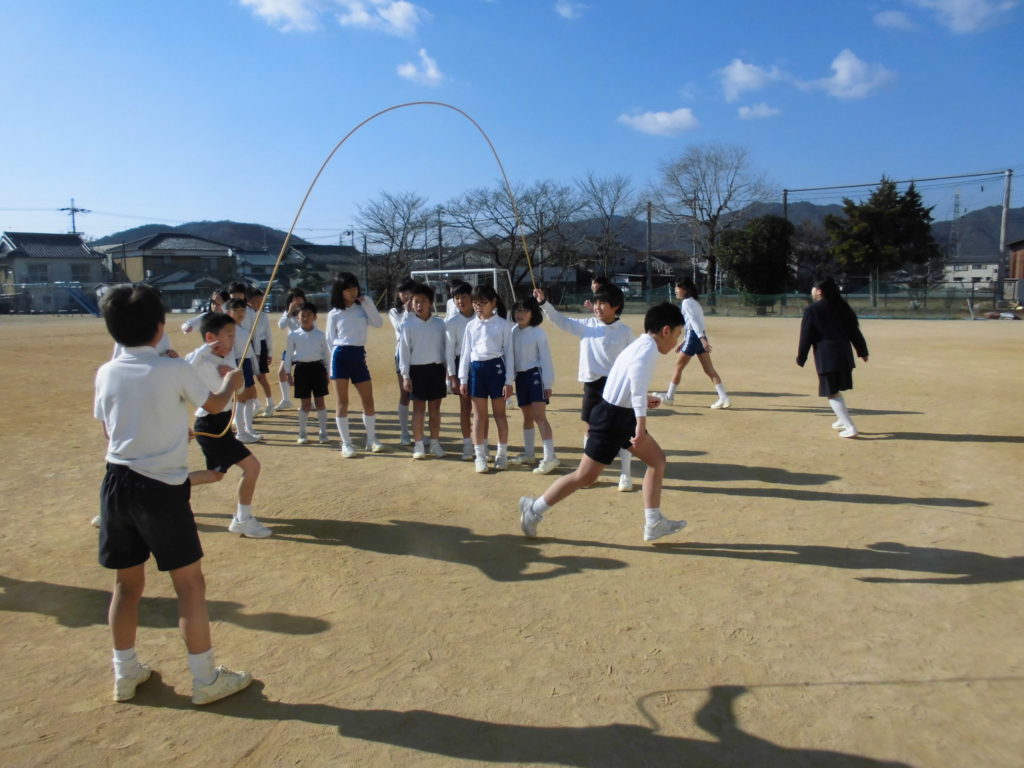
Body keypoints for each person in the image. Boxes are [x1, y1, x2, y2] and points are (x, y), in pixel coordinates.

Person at [94, 283, 253, 705]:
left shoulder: (106, 371)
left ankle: (124, 674)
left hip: (115, 483)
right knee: (190, 586)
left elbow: (110, 428)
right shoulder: (173, 367)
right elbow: (216, 406)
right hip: (160, 489)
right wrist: (233, 382)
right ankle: (205, 679)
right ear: (160, 326)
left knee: (126, 587)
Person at [519, 302, 688, 544]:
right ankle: (533, 509)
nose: (676, 341)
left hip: (620, 414)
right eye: (677, 334)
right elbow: (637, 387)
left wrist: (639, 402)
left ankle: (654, 522)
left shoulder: (640, 343)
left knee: (657, 461)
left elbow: (625, 381)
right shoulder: (647, 350)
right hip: (612, 419)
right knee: (585, 476)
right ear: (665, 330)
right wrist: (640, 423)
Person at [533, 283, 636, 491]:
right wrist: (544, 304)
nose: (597, 307)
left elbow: (633, 363)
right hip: (592, 385)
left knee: (623, 430)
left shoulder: (625, 332)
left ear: (616, 306)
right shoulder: (587, 325)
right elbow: (560, 321)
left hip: (617, 386)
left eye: (603, 303)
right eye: (596, 303)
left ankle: (626, 473)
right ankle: (589, 474)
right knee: (591, 428)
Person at [185, 313, 271, 539]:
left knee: (215, 474)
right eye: (229, 335)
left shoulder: (230, 356)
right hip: (210, 424)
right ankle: (243, 520)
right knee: (252, 467)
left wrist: (233, 380)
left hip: (223, 424)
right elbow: (185, 364)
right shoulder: (200, 359)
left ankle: (169, 488)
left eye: (234, 335)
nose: (233, 340)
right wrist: (207, 349)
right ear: (211, 337)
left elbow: (240, 392)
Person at [796, 276, 869, 438]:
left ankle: (850, 426)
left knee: (832, 392)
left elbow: (806, 336)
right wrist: (862, 351)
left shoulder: (812, 310)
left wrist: (801, 357)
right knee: (835, 389)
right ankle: (841, 420)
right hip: (844, 354)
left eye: (813, 287)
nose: (812, 290)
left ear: (819, 291)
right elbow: (854, 331)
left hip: (827, 357)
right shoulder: (842, 306)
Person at [326, 272, 384, 456]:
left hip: (358, 355)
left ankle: (371, 439)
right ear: (339, 291)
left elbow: (378, 322)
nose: (353, 291)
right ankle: (346, 443)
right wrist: (330, 366)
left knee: (368, 400)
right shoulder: (333, 313)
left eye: (355, 287)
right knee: (342, 402)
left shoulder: (362, 309)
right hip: (340, 356)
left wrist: (368, 304)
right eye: (348, 288)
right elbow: (330, 340)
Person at [458, 284, 515, 473]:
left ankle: (502, 454)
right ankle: (480, 456)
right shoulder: (470, 326)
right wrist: (463, 379)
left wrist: (508, 381)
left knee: (500, 414)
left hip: (496, 369)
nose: (478, 307)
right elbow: (466, 353)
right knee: (479, 416)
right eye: (475, 303)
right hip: (477, 371)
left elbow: (509, 354)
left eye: (482, 303)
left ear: (493, 303)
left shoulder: (504, 325)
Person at [653, 276, 731, 409]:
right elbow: (695, 323)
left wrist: (699, 339)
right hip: (696, 337)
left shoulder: (686, 303)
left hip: (695, 337)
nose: (676, 290)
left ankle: (669, 397)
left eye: (678, 288)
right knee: (709, 369)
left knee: (678, 367)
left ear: (685, 290)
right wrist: (689, 340)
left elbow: (694, 322)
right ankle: (724, 398)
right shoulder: (694, 302)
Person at [509, 296, 560, 474]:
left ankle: (549, 456)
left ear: (533, 313)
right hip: (521, 378)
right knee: (527, 417)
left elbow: (546, 358)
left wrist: (547, 383)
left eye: (524, 310)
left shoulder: (538, 333)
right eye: (517, 310)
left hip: (535, 376)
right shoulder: (513, 331)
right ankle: (529, 453)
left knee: (540, 416)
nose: (520, 314)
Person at [398, 283, 448, 459]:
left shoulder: (440, 324)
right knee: (418, 409)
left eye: (424, 301)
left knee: (435, 409)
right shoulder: (407, 325)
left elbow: (445, 348)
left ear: (431, 303)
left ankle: (435, 443)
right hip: (416, 371)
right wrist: (405, 375)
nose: (419, 305)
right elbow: (404, 351)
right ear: (411, 304)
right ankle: (418, 444)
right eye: (416, 301)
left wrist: (449, 371)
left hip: (436, 370)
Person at [282, 301, 332, 444]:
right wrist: (287, 372)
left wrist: (328, 372)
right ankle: (302, 433)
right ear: (297, 318)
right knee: (305, 404)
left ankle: (323, 432)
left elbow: (326, 355)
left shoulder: (320, 335)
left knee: (320, 402)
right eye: (302, 315)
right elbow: (289, 355)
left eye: (309, 315)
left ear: (315, 317)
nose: (305, 318)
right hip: (301, 370)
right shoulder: (293, 336)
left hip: (318, 369)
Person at [445, 282, 476, 461]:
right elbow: (449, 351)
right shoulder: (451, 323)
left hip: (479, 365)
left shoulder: (481, 318)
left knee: (479, 409)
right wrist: (452, 375)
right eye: (457, 298)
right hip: (460, 367)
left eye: (464, 296)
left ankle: (481, 443)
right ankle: (467, 444)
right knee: (465, 408)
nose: (461, 301)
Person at [224, 298, 261, 444]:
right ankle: (240, 432)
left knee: (251, 396)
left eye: (242, 310)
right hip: (237, 364)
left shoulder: (243, 328)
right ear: (228, 312)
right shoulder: (229, 330)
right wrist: (235, 369)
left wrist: (254, 365)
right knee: (241, 399)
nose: (241, 313)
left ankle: (249, 428)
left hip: (246, 363)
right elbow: (230, 351)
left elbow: (250, 350)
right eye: (236, 310)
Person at [389, 278, 417, 445]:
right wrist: (407, 311)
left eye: (409, 291)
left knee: (420, 396)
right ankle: (404, 433)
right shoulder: (395, 311)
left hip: (420, 355)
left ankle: (419, 431)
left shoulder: (421, 309)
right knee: (405, 393)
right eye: (403, 291)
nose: (406, 295)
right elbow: (400, 328)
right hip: (402, 355)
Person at [274, 288, 306, 410]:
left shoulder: (306, 311)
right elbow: (281, 326)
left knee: (304, 376)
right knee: (281, 372)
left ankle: (310, 401)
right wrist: (289, 312)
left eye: (300, 298)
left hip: (305, 348)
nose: (298, 301)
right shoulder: (288, 313)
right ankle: (286, 400)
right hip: (291, 348)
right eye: (295, 298)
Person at [248, 287, 275, 417]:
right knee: (248, 378)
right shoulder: (246, 314)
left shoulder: (263, 316)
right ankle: (255, 404)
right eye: (256, 300)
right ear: (249, 300)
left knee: (261, 377)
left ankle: (270, 404)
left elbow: (268, 335)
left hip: (262, 347)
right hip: (249, 345)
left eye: (261, 300)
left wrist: (269, 353)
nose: (259, 303)